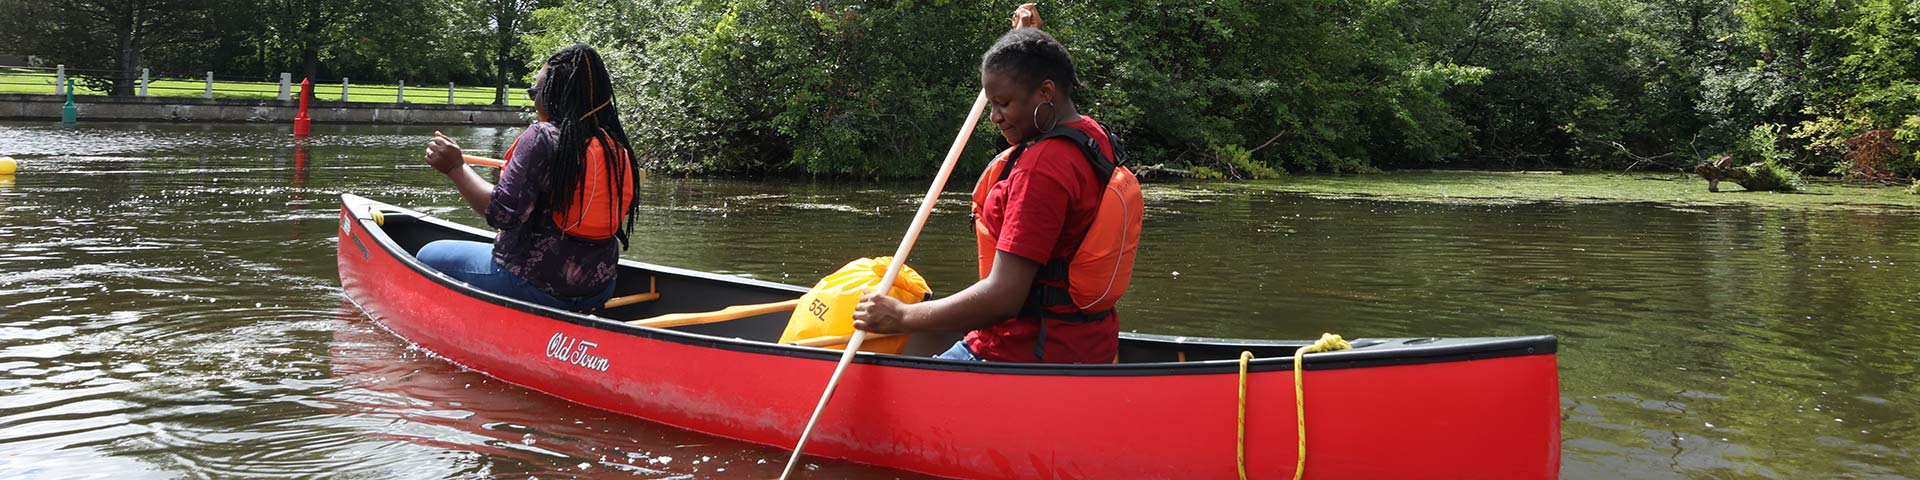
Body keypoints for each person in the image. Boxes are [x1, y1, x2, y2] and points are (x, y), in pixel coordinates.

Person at [852, 7, 1140, 363]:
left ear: (1046, 92)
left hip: (1021, 353)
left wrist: (902, 317)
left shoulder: (1042, 170)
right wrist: (1025, 39)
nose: (994, 116)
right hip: (1089, 346)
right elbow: (1040, 72)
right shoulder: (1093, 136)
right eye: (991, 103)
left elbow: (1004, 297)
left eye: (1003, 103)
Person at [416, 44, 639, 312]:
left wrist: (456, 168)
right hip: (598, 288)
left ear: (552, 95)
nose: (533, 100)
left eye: (535, 92)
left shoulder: (542, 137)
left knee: (428, 254)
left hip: (534, 285)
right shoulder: (613, 145)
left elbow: (502, 215)